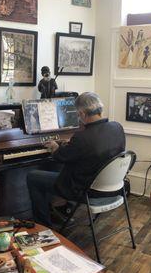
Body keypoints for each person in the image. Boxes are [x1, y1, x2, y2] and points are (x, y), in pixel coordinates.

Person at [26, 92, 126, 227]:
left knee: (33, 176)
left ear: (83, 114)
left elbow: (61, 157)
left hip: (87, 190)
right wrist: (71, 145)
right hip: (114, 188)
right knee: (68, 168)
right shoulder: (117, 127)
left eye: (78, 115)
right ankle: (60, 210)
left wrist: (56, 146)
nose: (79, 119)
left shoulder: (82, 138)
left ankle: (43, 225)